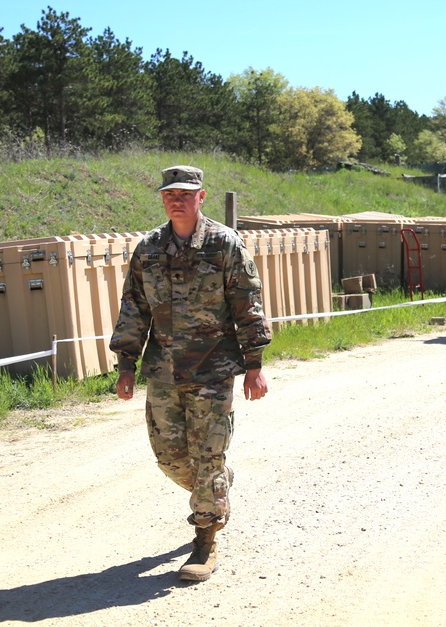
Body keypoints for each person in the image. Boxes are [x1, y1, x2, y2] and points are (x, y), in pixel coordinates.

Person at [110, 164, 271, 582]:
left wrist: (254, 366)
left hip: (213, 368)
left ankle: (205, 537)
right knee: (169, 458)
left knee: (207, 453)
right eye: (169, 194)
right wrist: (125, 366)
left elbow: (247, 306)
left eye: (185, 193)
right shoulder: (148, 248)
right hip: (163, 371)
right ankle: (216, 485)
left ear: (201, 196)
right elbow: (134, 309)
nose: (176, 199)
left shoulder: (224, 244)